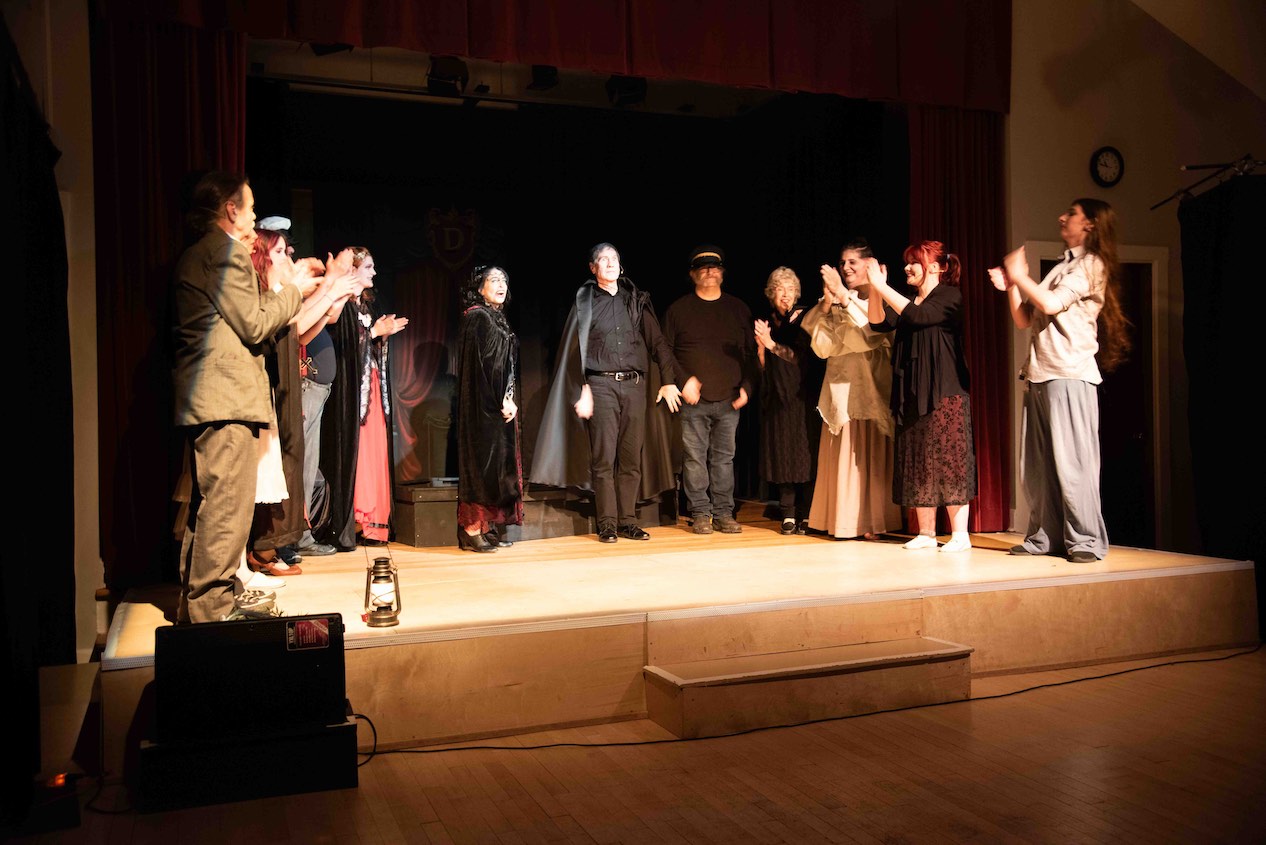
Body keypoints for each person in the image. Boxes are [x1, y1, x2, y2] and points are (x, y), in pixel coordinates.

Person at [172, 171, 302, 622]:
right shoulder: (223, 253)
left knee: (212, 508)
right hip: (225, 399)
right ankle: (212, 613)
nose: (253, 216)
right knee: (226, 509)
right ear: (231, 209)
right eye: (249, 207)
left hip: (213, 398)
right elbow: (255, 323)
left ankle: (200, 607)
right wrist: (293, 290)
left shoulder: (206, 252)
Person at [989, 198, 1130, 563]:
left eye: (1072, 213)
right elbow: (1025, 318)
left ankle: (1085, 541)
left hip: (1069, 373)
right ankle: (1044, 537)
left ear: (1090, 224)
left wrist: (1021, 276)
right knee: (1038, 467)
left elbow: (1052, 304)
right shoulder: (1061, 267)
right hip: (1040, 372)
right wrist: (1012, 285)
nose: (1062, 217)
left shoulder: (1092, 263)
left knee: (1073, 463)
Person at [531, 243, 683, 543]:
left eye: (614, 258)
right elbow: (573, 353)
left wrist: (668, 381)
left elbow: (658, 343)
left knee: (631, 458)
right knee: (604, 458)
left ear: (621, 266)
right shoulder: (585, 303)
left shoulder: (635, 301)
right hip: (601, 386)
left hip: (634, 386)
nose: (610, 263)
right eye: (603, 259)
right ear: (593, 268)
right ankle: (608, 524)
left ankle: (628, 521)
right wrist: (583, 388)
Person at [244, 227, 359, 576]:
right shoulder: (266, 297)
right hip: (271, 391)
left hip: (286, 390)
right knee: (280, 471)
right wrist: (329, 288)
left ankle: (272, 547)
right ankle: (267, 548)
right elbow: (295, 327)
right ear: (261, 257)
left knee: (287, 470)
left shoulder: (278, 295)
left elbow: (302, 331)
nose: (288, 257)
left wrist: (332, 290)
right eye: (280, 252)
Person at [866, 240, 976, 553]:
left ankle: (960, 535)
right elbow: (877, 322)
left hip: (945, 392)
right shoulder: (909, 300)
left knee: (950, 459)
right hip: (913, 390)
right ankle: (927, 532)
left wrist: (882, 286)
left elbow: (919, 316)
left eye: (915, 261)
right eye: (907, 262)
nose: (907, 267)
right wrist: (875, 289)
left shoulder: (949, 295)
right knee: (919, 460)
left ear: (936, 267)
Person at [802, 240, 901, 539]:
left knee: (868, 457)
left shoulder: (883, 299)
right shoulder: (839, 300)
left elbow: (870, 335)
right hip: (840, 391)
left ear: (870, 264)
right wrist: (828, 301)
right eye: (842, 263)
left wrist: (844, 300)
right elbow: (821, 346)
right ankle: (841, 521)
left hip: (871, 391)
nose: (845, 268)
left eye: (852, 262)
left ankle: (871, 522)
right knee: (843, 454)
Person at [319, 248, 409, 549]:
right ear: (353, 270)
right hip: (352, 393)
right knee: (359, 452)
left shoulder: (366, 306)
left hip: (370, 389)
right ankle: (356, 517)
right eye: (368, 267)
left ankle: (373, 523)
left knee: (375, 451)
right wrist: (373, 332)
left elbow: (366, 344)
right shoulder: (342, 306)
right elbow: (342, 347)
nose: (374, 272)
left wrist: (382, 334)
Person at [663, 245, 756, 534]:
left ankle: (724, 512)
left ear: (722, 273)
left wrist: (747, 387)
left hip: (729, 398)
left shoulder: (738, 309)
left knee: (724, 459)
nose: (709, 272)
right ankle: (701, 512)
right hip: (694, 400)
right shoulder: (678, 310)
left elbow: (751, 354)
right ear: (693, 274)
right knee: (694, 458)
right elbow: (665, 352)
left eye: (714, 267)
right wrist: (683, 381)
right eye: (703, 268)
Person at [455, 266, 523, 552]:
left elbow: (503, 365)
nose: (501, 284)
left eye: (504, 280)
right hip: (482, 406)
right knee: (481, 467)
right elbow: (483, 367)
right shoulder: (478, 317)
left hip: (496, 404)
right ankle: (471, 529)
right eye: (494, 280)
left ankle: (486, 526)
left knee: (495, 467)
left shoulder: (495, 317)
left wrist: (508, 397)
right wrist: (501, 400)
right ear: (479, 288)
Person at [753, 267, 815, 534]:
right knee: (781, 456)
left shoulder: (805, 318)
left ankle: (807, 513)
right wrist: (761, 349)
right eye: (780, 289)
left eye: (791, 289)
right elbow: (761, 367)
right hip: (776, 399)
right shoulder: (766, 321)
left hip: (802, 396)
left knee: (805, 456)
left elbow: (799, 357)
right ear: (771, 293)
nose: (786, 295)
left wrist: (770, 344)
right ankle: (788, 512)